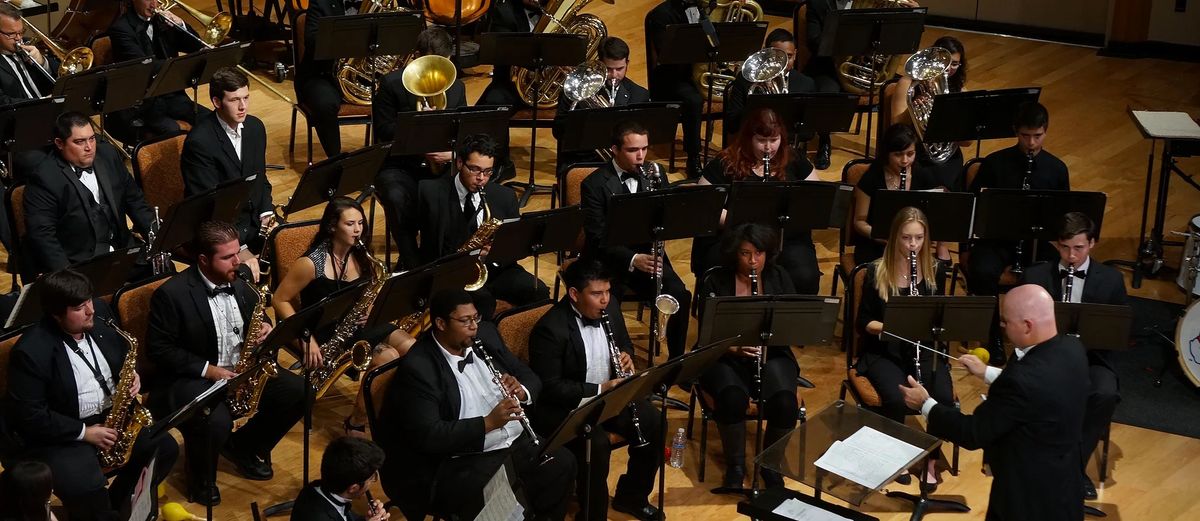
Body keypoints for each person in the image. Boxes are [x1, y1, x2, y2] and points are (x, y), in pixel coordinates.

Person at [377, 289, 576, 521]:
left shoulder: (485, 337)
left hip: (511, 442)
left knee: (562, 463)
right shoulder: (420, 367)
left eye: (475, 318)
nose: (474, 326)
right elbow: (429, 435)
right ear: (440, 323)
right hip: (459, 459)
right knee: (502, 494)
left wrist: (521, 390)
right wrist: (488, 423)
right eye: (465, 320)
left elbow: (528, 375)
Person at [146, 221, 305, 506]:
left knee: (298, 391)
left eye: (237, 253)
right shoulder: (172, 295)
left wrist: (266, 327)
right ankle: (200, 479)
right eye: (228, 256)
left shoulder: (240, 282)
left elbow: (258, 314)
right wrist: (210, 370)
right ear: (204, 260)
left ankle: (243, 447)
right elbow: (160, 350)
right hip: (192, 376)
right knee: (214, 421)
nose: (238, 261)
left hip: (240, 369)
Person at [900, 284, 1090, 521]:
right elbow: (1038, 391)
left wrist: (925, 404)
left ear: (1027, 326)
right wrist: (986, 372)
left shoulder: (1022, 380)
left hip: (1024, 500)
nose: (1002, 328)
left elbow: (973, 433)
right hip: (1065, 489)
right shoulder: (1072, 349)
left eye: (1006, 322)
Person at [4, 269, 178, 521]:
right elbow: (31, 416)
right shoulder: (32, 351)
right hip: (64, 434)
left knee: (164, 448)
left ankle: (115, 507)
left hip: (110, 416)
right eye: (79, 307)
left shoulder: (101, 317)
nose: (90, 310)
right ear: (55, 314)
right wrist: (85, 433)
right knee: (86, 487)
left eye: (89, 301)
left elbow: (124, 357)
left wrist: (133, 377)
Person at [528, 260, 664, 521]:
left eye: (607, 291)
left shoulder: (609, 307)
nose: (605, 300)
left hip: (608, 396)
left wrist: (627, 355)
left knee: (655, 422)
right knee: (596, 444)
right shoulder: (550, 329)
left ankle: (631, 496)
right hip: (566, 406)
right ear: (574, 294)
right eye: (596, 294)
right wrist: (600, 387)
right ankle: (592, 515)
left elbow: (624, 341)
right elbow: (551, 388)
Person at [272, 197, 415, 436]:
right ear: (332, 227)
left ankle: (387, 409)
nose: (358, 229)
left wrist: (371, 309)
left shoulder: (360, 254)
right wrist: (305, 338)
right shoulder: (311, 263)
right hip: (323, 331)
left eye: (360, 223)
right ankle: (357, 421)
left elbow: (372, 290)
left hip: (358, 324)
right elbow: (280, 300)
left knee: (412, 348)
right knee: (388, 358)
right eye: (350, 224)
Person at [1021, 211, 1126, 500]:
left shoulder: (1111, 280)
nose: (1071, 256)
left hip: (1091, 357)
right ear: (1057, 245)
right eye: (1065, 248)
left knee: (1105, 392)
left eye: (1078, 248)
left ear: (1092, 243)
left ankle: (1073, 468)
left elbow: (1118, 335)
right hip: (1044, 357)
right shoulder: (1036, 276)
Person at [697, 223, 800, 492]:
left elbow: (794, 325)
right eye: (745, 254)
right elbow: (706, 335)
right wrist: (734, 348)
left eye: (759, 253)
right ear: (735, 254)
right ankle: (736, 467)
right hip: (723, 356)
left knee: (786, 403)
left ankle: (769, 466)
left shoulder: (779, 277)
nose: (753, 261)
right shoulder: (715, 281)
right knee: (731, 399)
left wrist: (768, 339)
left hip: (772, 353)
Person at [856, 206, 952, 490]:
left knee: (943, 397)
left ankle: (931, 460)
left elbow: (942, 318)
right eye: (906, 238)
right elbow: (864, 322)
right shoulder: (876, 272)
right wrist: (889, 327)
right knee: (897, 398)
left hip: (923, 349)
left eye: (919, 238)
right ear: (895, 238)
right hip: (884, 350)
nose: (913, 245)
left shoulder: (934, 272)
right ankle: (893, 455)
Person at [967, 101, 1069, 364]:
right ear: (1016, 131)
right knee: (982, 270)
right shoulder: (995, 164)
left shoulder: (1056, 169)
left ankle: (1039, 340)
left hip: (1035, 241)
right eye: (1025, 136)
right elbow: (975, 207)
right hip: (998, 240)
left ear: (1046, 132)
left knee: (1054, 272)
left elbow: (1063, 217)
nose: (1032, 143)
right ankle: (993, 337)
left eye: (1038, 136)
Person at [581, 120, 692, 359]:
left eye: (644, 148)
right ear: (615, 149)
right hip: (607, 261)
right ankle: (616, 360)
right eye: (633, 150)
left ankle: (676, 362)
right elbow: (597, 236)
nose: (641, 156)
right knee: (607, 305)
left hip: (647, 256)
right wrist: (633, 259)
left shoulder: (655, 173)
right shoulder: (593, 184)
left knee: (679, 294)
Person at [408, 133, 549, 315]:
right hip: (453, 275)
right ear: (459, 163)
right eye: (474, 169)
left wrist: (496, 252)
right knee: (483, 302)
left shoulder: (504, 196)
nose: (481, 178)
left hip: (494, 269)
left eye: (488, 171)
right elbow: (409, 237)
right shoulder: (430, 191)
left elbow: (514, 247)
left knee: (539, 291)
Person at [694, 107, 820, 293]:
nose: (768, 148)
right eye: (761, 141)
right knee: (719, 269)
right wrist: (736, 220)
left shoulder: (794, 158)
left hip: (785, 237)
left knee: (805, 275)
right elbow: (704, 204)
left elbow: (815, 196)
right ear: (748, 139)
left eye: (774, 140)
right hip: (736, 239)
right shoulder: (725, 162)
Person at [373, 27, 468, 262]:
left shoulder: (456, 87)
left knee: (452, 194)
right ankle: (410, 261)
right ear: (416, 57)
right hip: (400, 165)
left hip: (441, 164)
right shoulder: (391, 83)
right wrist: (419, 125)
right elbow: (383, 131)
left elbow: (464, 134)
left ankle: (437, 257)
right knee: (396, 196)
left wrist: (452, 154)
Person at [23, 112, 155, 278]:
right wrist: (71, 279)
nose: (89, 147)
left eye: (92, 139)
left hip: (123, 251)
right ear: (59, 143)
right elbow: (43, 236)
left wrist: (157, 238)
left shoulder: (108, 155)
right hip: (82, 265)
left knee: (163, 272)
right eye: (79, 142)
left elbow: (135, 201)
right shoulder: (44, 178)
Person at [805, 0, 921, 170]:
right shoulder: (818, 3)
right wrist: (845, 37)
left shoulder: (875, 2)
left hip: (867, 66)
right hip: (829, 66)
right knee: (827, 93)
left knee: (899, 89)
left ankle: (895, 148)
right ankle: (824, 141)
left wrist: (913, 16)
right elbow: (813, 41)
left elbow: (903, 35)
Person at [180, 66, 273, 254]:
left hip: (255, 221)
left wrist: (267, 213)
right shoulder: (199, 143)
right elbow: (210, 207)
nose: (243, 107)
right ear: (216, 102)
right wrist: (241, 247)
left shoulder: (255, 128)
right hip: (220, 233)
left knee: (292, 246)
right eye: (234, 100)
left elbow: (260, 179)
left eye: (246, 98)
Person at [106, 0, 209, 144]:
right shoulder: (120, 29)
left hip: (173, 96)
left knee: (209, 120)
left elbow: (197, 46)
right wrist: (181, 65)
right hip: (143, 104)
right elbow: (146, 67)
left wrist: (181, 25)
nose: (153, 3)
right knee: (173, 134)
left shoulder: (164, 21)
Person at [850, 123, 946, 266]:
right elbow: (859, 222)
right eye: (898, 155)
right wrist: (883, 237)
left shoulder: (923, 175)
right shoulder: (872, 177)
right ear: (887, 154)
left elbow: (936, 216)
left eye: (910, 154)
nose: (905, 160)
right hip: (877, 245)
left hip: (912, 245)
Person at [553, 36, 650, 167]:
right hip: (582, 160)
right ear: (600, 64)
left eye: (620, 69)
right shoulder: (577, 87)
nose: (614, 75)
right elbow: (559, 130)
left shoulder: (639, 95)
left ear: (627, 63)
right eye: (609, 69)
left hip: (624, 164)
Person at [889, 35, 970, 191]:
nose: (948, 69)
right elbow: (896, 126)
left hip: (947, 154)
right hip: (914, 151)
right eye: (945, 63)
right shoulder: (908, 83)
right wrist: (912, 107)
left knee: (946, 182)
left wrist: (949, 117)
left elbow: (967, 142)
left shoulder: (960, 91)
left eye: (954, 64)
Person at [723, 28, 816, 143]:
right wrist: (757, 105)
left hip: (788, 148)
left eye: (789, 56)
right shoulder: (746, 79)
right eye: (778, 57)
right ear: (765, 53)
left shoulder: (805, 83)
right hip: (753, 145)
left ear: (796, 55)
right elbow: (732, 124)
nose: (784, 63)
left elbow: (808, 133)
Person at [645, 0, 704, 177]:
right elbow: (667, 55)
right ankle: (693, 158)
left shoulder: (699, 8)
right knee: (694, 100)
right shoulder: (660, 16)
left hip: (690, 76)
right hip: (669, 79)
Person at [295, 0, 349, 158]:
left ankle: (386, 158)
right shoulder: (321, 2)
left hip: (362, 78)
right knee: (325, 103)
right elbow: (311, 42)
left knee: (394, 90)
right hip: (321, 74)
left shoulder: (378, 5)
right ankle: (336, 161)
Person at [290, 437, 388, 521]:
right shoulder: (316, 516)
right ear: (353, 488)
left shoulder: (317, 488)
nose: (375, 480)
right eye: (372, 478)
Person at [0, 3, 58, 105]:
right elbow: (3, 101)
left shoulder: (28, 44)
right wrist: (43, 101)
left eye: (21, 32)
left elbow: (63, 74)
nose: (18, 38)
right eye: (11, 34)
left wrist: (43, 62)